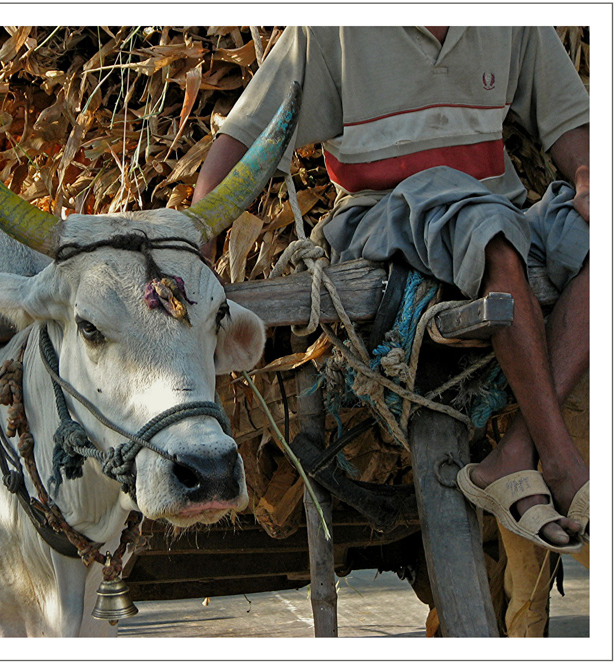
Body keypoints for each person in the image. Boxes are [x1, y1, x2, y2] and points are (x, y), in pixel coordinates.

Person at [193, 27, 590, 553]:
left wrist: (592, 183)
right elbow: (244, 135)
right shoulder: (332, 28)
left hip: (500, 209)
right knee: (491, 237)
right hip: (384, 217)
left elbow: (572, 123)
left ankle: (515, 451)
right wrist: (198, 240)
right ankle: (562, 463)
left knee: (565, 236)